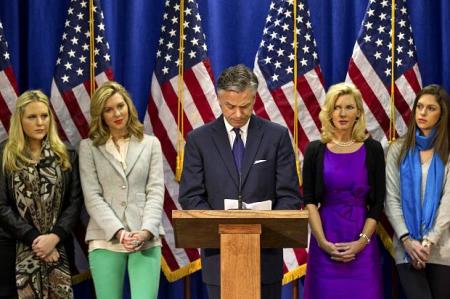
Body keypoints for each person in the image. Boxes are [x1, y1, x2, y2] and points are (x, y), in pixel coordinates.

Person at [178, 64, 301, 299]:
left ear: (254, 98)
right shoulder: (198, 140)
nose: (237, 114)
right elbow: (191, 196)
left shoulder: (276, 136)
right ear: (219, 99)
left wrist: (264, 228)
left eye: (245, 106)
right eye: (230, 106)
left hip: (265, 256)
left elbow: (289, 196)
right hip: (219, 257)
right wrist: (223, 227)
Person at [79, 81, 164, 299]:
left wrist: (145, 231)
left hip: (145, 237)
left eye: (120, 106)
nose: (117, 113)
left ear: (128, 106)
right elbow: (92, 196)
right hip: (105, 238)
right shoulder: (88, 147)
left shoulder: (151, 144)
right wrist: (119, 232)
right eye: (108, 110)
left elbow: (155, 191)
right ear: (100, 115)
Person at [302, 83, 384, 299]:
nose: (342, 113)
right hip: (325, 239)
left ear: (358, 112)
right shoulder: (315, 149)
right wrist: (321, 242)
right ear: (328, 112)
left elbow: (377, 204)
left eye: (348, 107)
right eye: (336, 107)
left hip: (362, 243)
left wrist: (361, 242)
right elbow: (309, 200)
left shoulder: (373, 149)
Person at [0, 90, 82, 299]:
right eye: (32, 117)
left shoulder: (66, 153)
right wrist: (35, 239)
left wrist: (54, 237)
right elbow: (1, 206)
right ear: (20, 120)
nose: (40, 123)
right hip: (12, 249)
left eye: (44, 116)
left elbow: (74, 203)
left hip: (59, 244)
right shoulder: (4, 154)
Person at [385, 84, 450, 299]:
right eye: (419, 107)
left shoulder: (447, 151)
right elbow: (391, 199)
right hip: (406, 248)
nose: (422, 113)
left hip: (441, 250)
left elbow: (448, 202)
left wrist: (428, 242)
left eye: (431, 108)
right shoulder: (398, 149)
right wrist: (407, 240)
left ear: (442, 114)